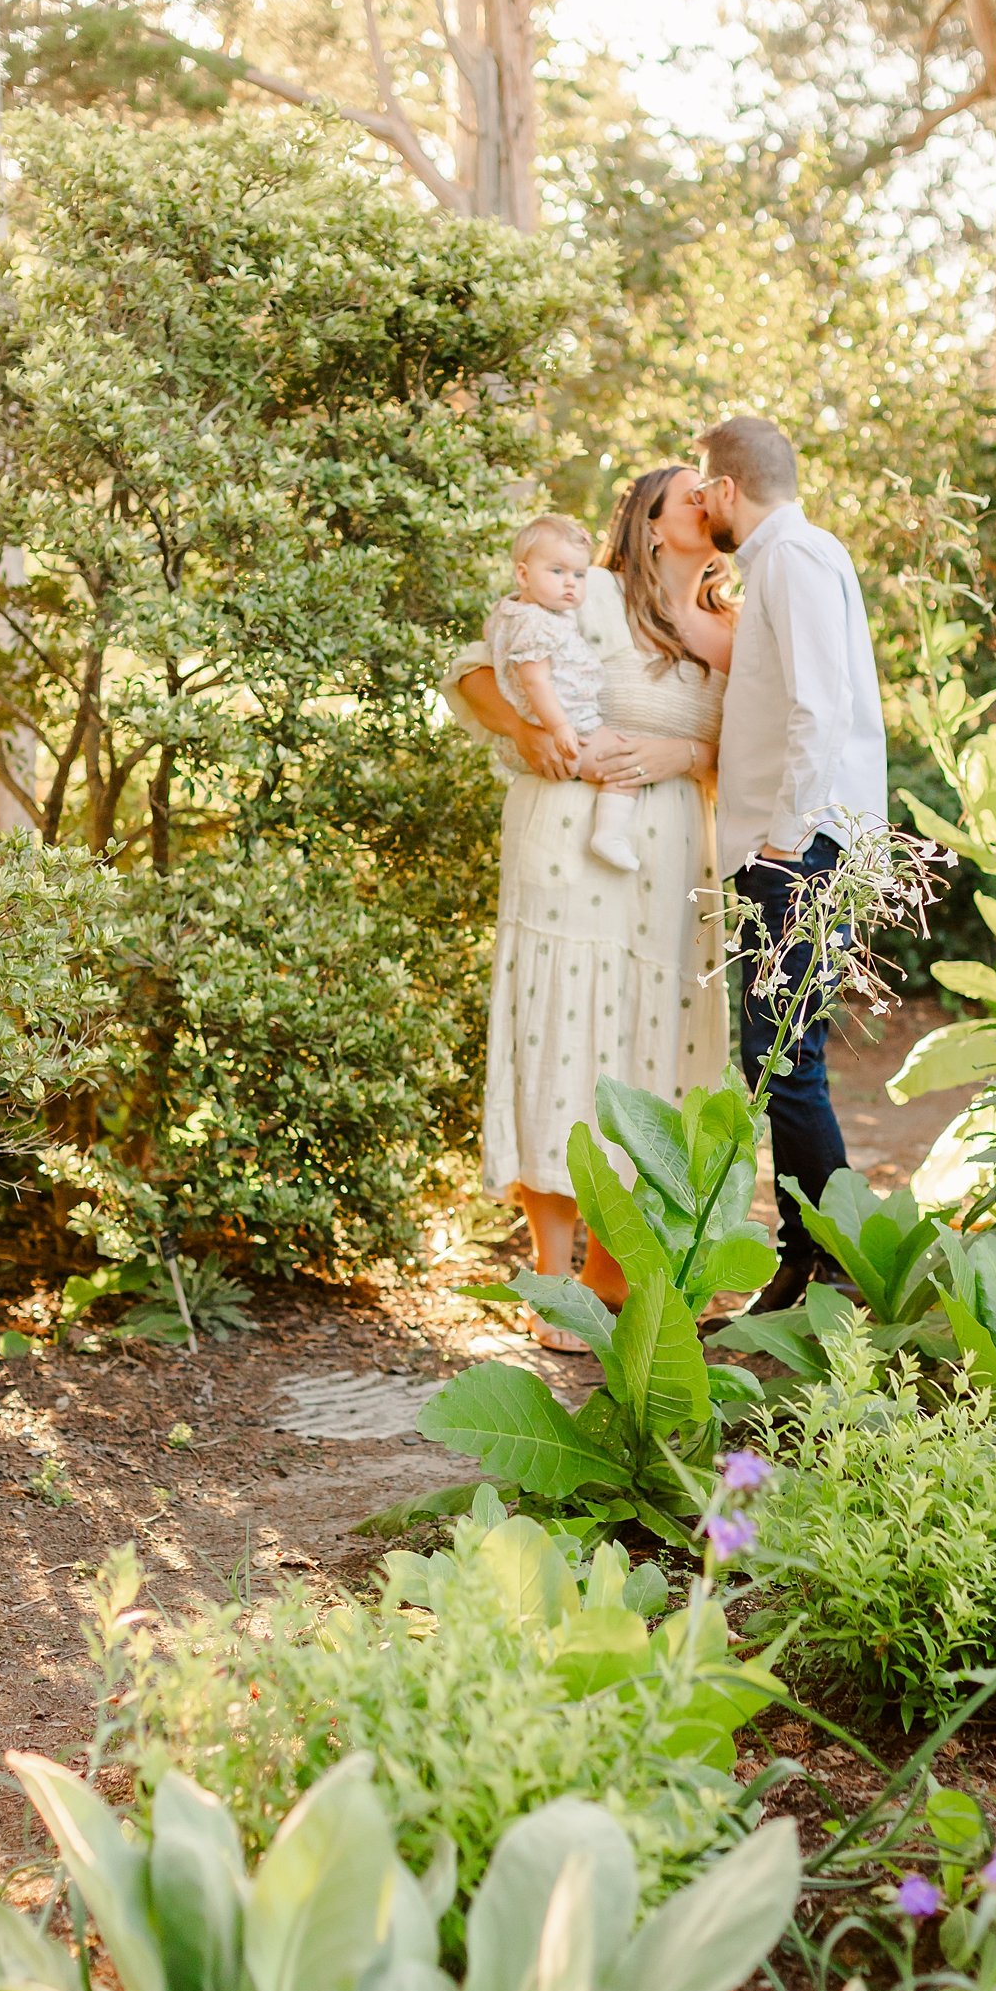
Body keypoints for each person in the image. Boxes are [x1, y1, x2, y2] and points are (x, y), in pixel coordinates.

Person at [443, 467, 736, 1349]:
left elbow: (753, 740)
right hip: (569, 837)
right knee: (562, 1030)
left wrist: (679, 751)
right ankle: (550, 1276)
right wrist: (529, 730)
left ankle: (617, 1274)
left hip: (674, 853)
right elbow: (472, 670)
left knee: (656, 1047)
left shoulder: (733, 624)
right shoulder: (591, 591)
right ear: (648, 523)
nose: (706, 497)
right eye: (688, 490)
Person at [692, 415, 888, 1312]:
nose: (701, 505)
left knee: (782, 1055)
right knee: (775, 1053)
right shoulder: (783, 560)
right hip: (791, 845)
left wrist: (785, 837)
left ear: (730, 489)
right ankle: (809, 1253)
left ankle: (830, 1261)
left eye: (704, 489)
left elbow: (822, 706)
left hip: (802, 850)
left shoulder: (795, 559)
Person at [484, 513, 642, 873]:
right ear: (523, 575)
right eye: (557, 572)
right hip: (568, 729)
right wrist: (559, 728)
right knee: (625, 765)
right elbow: (534, 680)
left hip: (560, 726)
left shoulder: (511, 612)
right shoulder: (536, 623)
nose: (570, 583)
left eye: (579, 574)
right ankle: (609, 834)